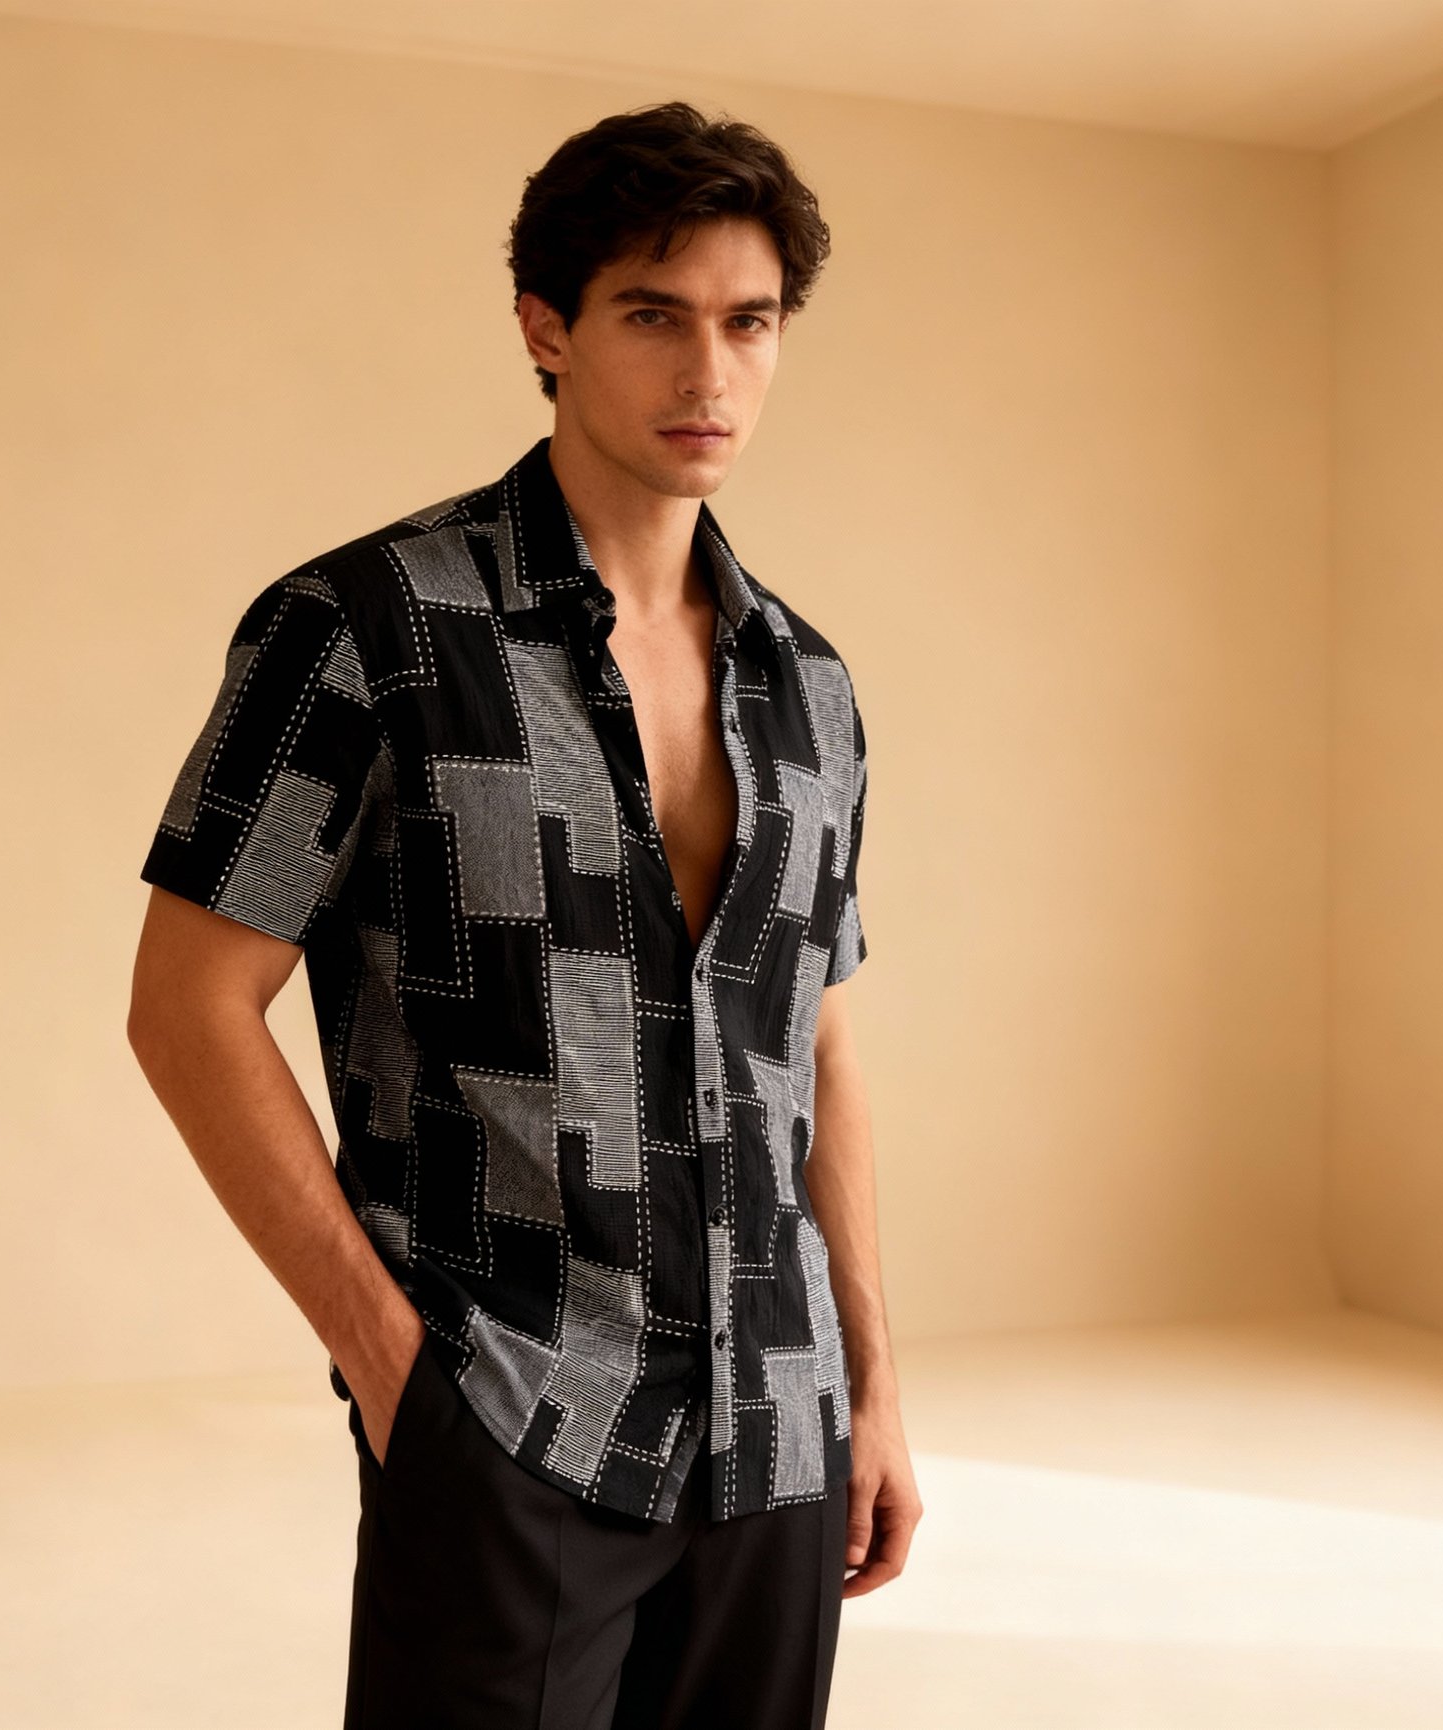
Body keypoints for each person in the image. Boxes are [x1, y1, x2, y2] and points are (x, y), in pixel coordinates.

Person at [128, 99, 921, 1730]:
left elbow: (817, 1046)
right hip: (513, 1413)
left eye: (749, 322)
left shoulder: (812, 687)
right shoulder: (365, 629)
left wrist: (872, 1386)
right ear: (546, 328)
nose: (710, 374)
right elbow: (186, 1006)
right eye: (654, 316)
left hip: (774, 1432)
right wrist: (391, 1364)